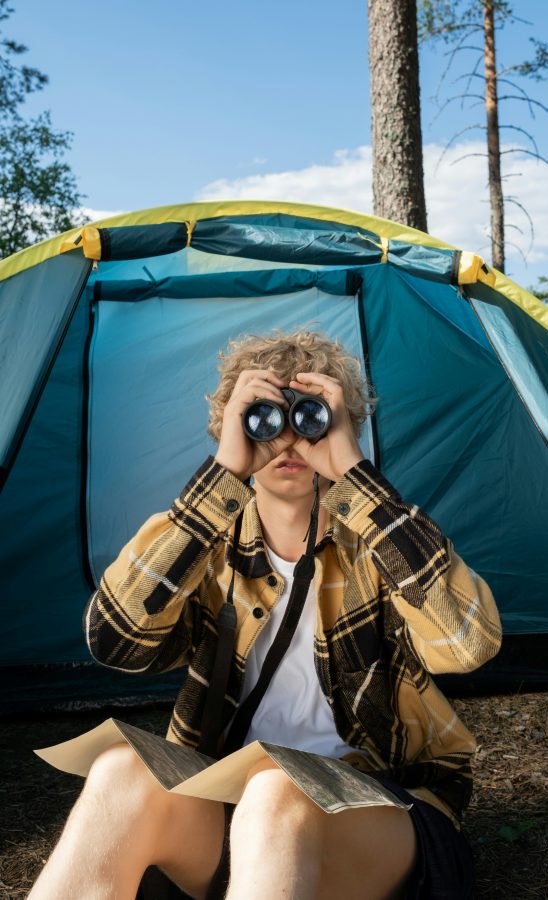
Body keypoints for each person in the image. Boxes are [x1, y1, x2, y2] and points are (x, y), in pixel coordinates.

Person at [29, 330, 502, 900]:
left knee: (279, 786)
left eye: (310, 420)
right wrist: (224, 472)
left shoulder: (383, 542)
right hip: (234, 813)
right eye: (262, 419)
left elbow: (469, 642)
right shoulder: (207, 548)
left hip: (379, 814)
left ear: (342, 427)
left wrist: (355, 474)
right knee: (119, 768)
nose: (288, 445)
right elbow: (115, 639)